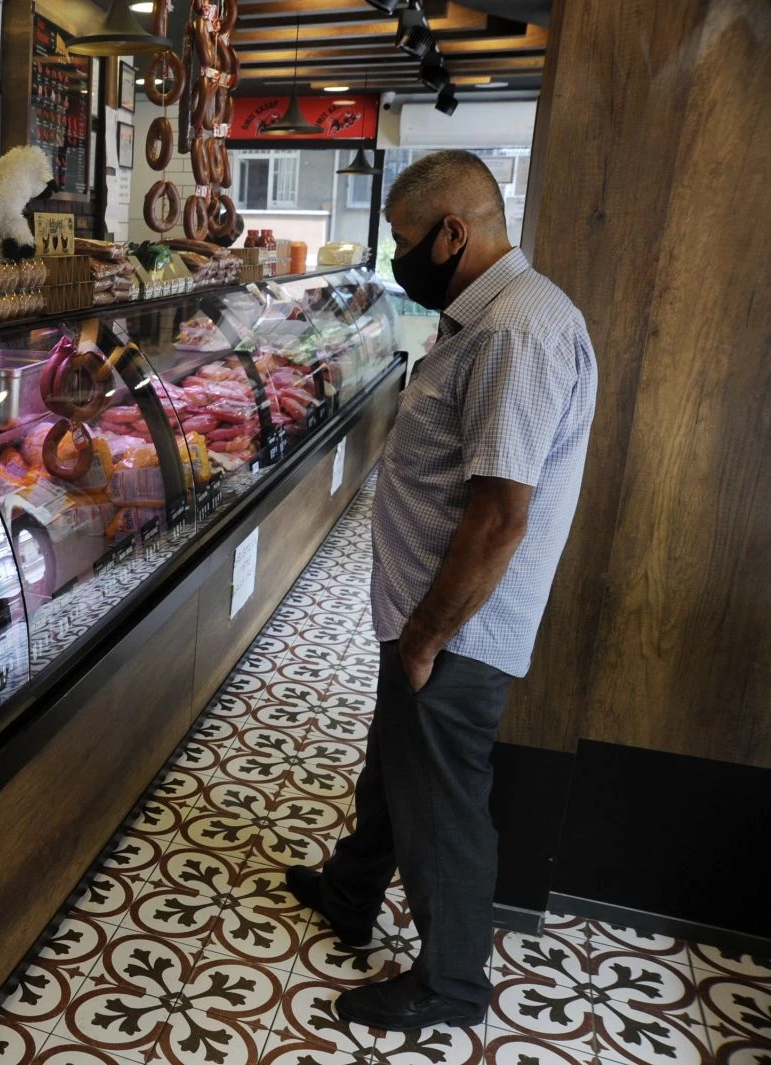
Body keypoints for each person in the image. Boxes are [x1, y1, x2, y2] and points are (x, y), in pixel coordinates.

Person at [285, 150, 597, 1031]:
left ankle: (452, 983)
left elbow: (501, 516)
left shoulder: (514, 333)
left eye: (403, 238)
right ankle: (351, 890)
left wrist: (425, 638)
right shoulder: (487, 315)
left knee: (441, 803)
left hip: (456, 630)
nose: (398, 255)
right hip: (424, 615)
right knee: (395, 766)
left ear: (453, 232)